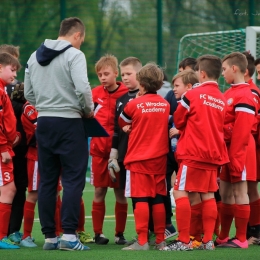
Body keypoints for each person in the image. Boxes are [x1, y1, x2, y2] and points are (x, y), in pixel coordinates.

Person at [24, 17, 94, 251]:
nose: (81, 44)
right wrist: (87, 110)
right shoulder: (75, 55)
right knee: (73, 179)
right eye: (81, 39)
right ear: (77, 35)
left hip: (44, 122)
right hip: (70, 122)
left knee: (48, 181)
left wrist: (45, 105)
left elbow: (29, 93)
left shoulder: (34, 56)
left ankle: (50, 238)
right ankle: (70, 237)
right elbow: (83, 88)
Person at [162, 55, 229, 251]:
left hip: (193, 152)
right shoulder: (222, 99)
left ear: (201, 74)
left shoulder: (191, 95)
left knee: (179, 191)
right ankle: (208, 240)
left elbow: (179, 121)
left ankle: (184, 241)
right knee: (208, 194)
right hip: (214, 154)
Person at [119, 62, 170, 251]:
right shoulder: (165, 104)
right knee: (157, 198)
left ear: (141, 83)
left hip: (138, 158)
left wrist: (127, 127)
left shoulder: (134, 104)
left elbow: (122, 120)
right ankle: (160, 240)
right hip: (159, 159)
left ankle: (142, 241)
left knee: (140, 198)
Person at [216, 52, 258, 249]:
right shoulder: (229, 93)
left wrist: (236, 157)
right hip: (227, 149)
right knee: (225, 192)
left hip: (239, 149)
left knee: (240, 191)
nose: (222, 73)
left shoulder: (245, 95)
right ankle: (224, 236)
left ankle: (242, 238)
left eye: (224, 69)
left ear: (234, 68)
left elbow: (242, 131)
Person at [90, 54, 128, 245]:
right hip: (98, 152)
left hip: (120, 153)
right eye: (99, 75)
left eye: (106, 74)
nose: (103, 77)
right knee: (99, 191)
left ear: (116, 73)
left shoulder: (127, 94)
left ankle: (119, 234)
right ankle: (98, 233)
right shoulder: (94, 93)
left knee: (120, 193)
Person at [0, 45, 28, 244]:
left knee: (10, 190)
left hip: (9, 146)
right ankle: (2, 236)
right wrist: (4, 146)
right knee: (10, 190)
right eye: (12, 69)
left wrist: (14, 135)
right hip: (4, 150)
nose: (15, 74)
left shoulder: (3, 89)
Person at [242, 51, 260, 244]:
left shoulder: (251, 92)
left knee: (250, 187)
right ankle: (250, 230)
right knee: (247, 187)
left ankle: (254, 230)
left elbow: (251, 124)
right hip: (248, 144)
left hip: (249, 145)